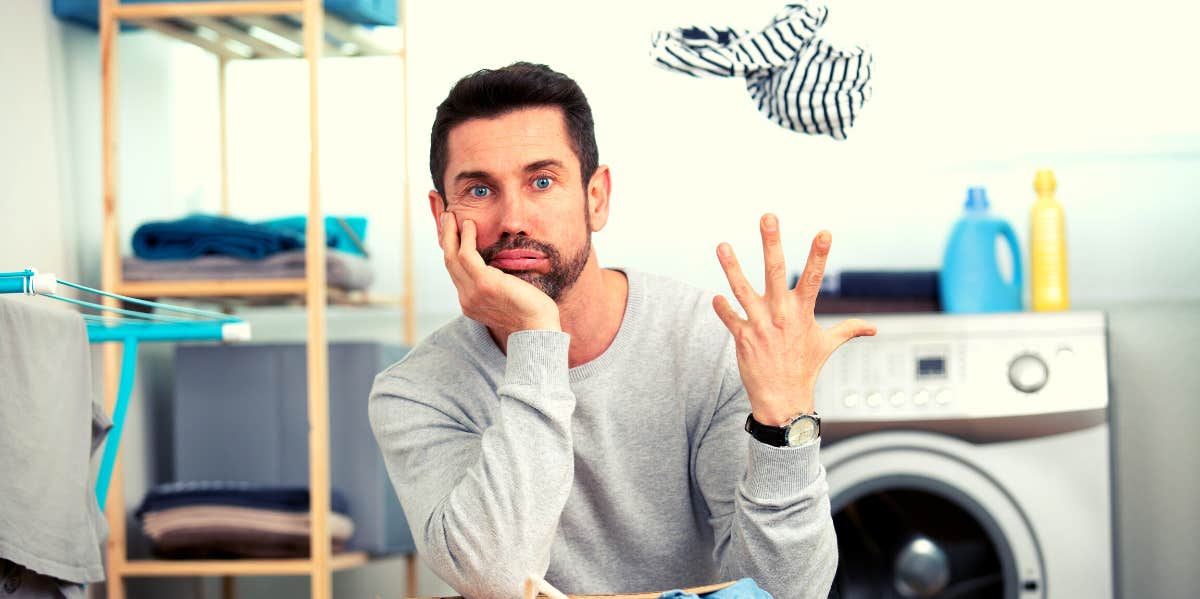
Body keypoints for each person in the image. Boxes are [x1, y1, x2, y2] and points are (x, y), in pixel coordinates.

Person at [369, 62, 875, 599]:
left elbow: (786, 592)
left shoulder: (709, 345)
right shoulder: (417, 391)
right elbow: (495, 578)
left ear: (596, 198)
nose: (513, 219)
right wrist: (537, 341)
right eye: (479, 190)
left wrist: (784, 429)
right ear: (441, 214)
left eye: (542, 181)